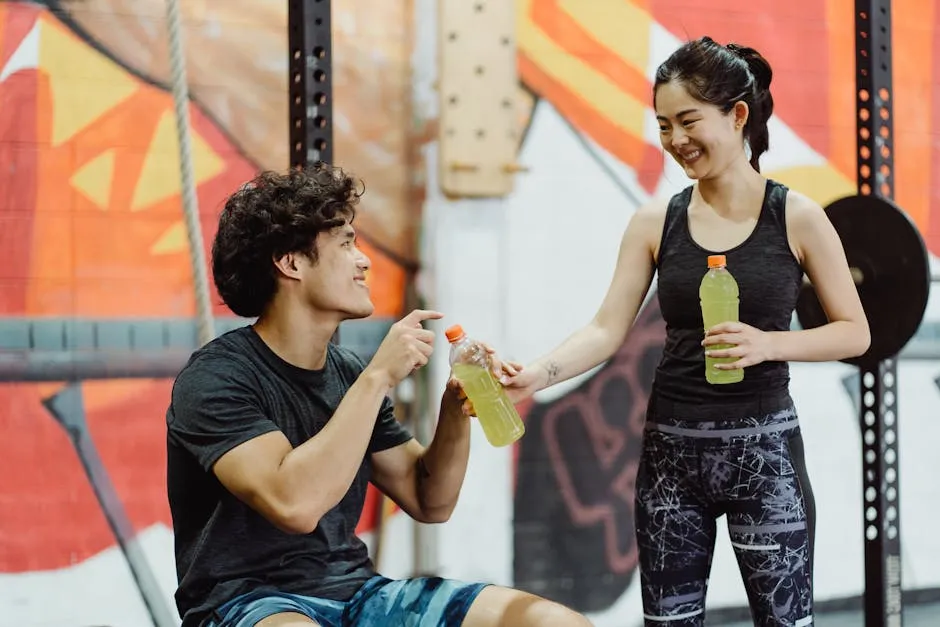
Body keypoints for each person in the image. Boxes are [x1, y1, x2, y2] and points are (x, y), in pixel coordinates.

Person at [502, 36, 870, 626]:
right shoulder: (656, 221)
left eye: (689, 121)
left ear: (738, 115)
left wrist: (769, 344)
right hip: (671, 458)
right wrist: (537, 374)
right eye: (664, 125)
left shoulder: (797, 216)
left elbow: (855, 333)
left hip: (765, 455)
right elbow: (604, 329)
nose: (676, 141)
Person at [165, 165, 593, 627]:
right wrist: (378, 377)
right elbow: (294, 504)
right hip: (246, 602)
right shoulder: (216, 378)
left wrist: (454, 408)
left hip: (357, 594)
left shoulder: (348, 374)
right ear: (290, 263)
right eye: (346, 244)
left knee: (555, 623)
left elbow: (431, 500)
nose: (364, 260)